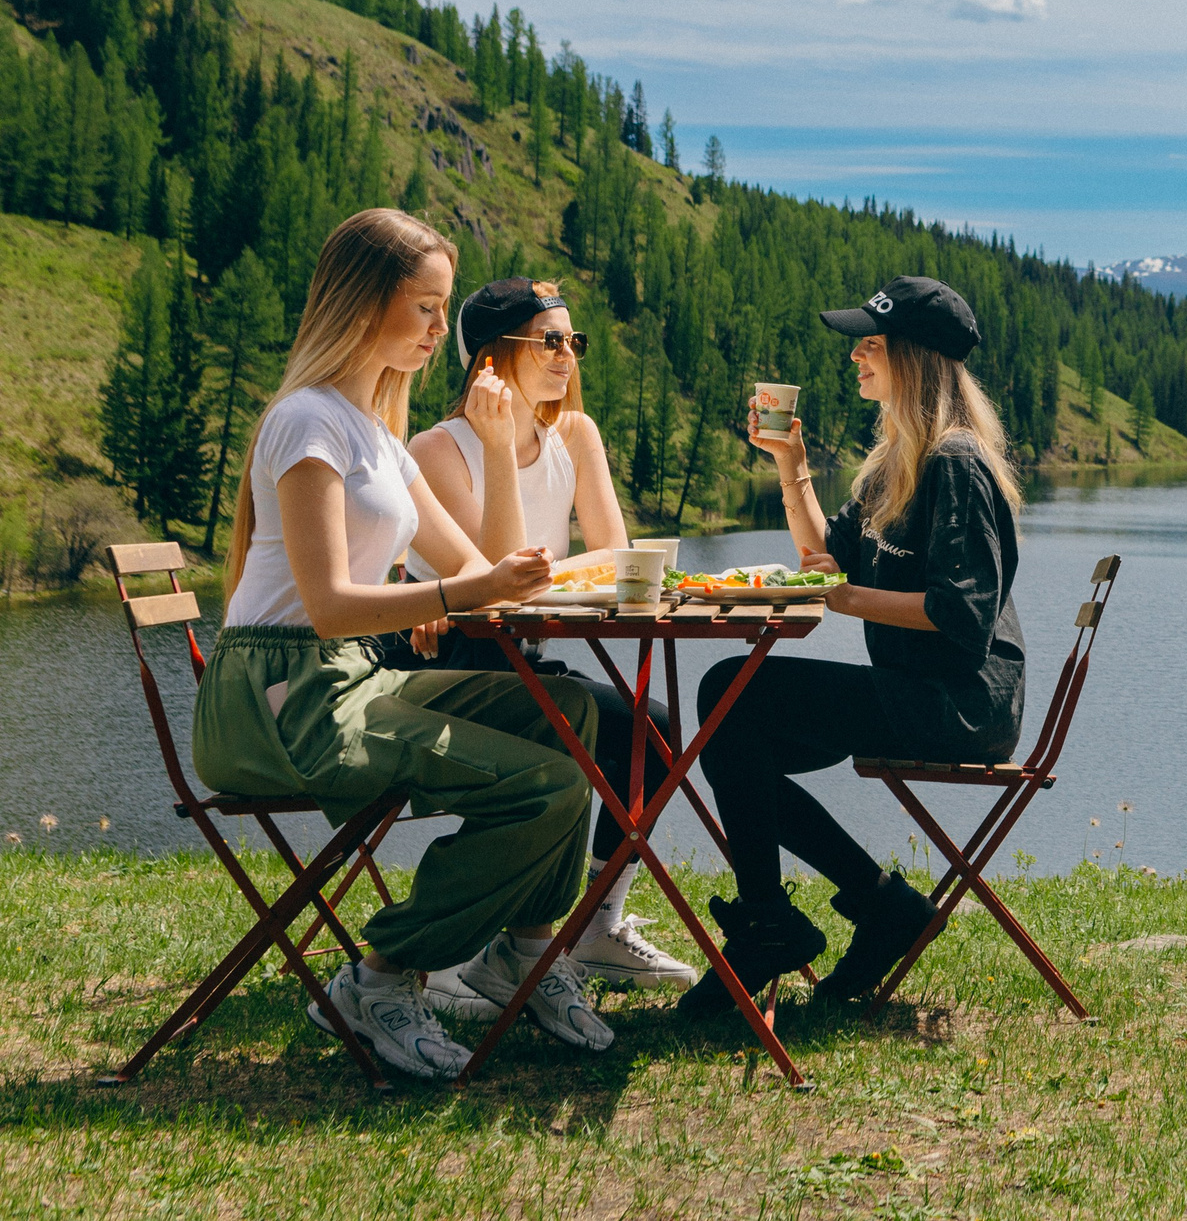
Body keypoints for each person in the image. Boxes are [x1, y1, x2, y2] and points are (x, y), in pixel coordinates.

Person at [192, 208, 614, 1081]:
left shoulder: (378, 435)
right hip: (283, 703)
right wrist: (459, 593)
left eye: (442, 308)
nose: (438, 331)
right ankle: (380, 977)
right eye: (423, 308)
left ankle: (528, 952)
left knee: (569, 710)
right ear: (360, 302)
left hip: (352, 679)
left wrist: (502, 479)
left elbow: (480, 568)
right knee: (550, 782)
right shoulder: (307, 423)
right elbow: (335, 604)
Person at [680, 276, 1027, 1015]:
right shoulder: (897, 460)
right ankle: (860, 906)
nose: (855, 358)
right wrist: (788, 459)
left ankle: (786, 920)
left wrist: (842, 599)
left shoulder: (955, 463)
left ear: (913, 357)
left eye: (870, 344)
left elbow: (961, 614)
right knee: (733, 717)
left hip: (960, 703)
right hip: (917, 692)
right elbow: (823, 561)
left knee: (729, 699)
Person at [400, 276, 700, 1010]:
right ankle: (451, 953)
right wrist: (555, 569)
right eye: (552, 341)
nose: (569, 356)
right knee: (557, 733)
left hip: (528, 656)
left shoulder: (575, 434)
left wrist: (568, 574)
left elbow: (615, 554)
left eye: (575, 341)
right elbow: (492, 587)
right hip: (450, 664)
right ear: (493, 359)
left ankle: (596, 922)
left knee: (654, 730)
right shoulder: (438, 451)